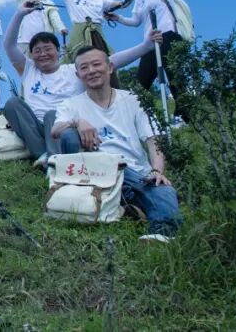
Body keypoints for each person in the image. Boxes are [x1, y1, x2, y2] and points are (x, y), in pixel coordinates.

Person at [3, 1, 160, 167]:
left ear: (59, 51)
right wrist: (20, 13)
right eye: (37, 51)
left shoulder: (74, 70)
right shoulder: (29, 70)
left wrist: (145, 46)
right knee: (12, 103)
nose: (43, 54)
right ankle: (44, 154)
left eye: (48, 49)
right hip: (35, 128)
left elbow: (112, 61)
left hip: (65, 126)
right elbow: (9, 45)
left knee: (51, 115)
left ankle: (54, 161)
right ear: (32, 55)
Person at [52, 46, 183, 242]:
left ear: (110, 67)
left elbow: (153, 139)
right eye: (84, 67)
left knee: (163, 189)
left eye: (96, 64)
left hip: (133, 171)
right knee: (68, 135)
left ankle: (161, 234)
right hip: (95, 170)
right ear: (78, 75)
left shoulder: (133, 99)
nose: (91, 71)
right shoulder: (71, 105)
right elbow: (55, 131)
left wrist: (157, 170)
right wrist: (77, 122)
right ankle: (127, 203)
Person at [106, 0, 185, 104]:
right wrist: (118, 18)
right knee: (141, 85)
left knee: (176, 82)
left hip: (169, 37)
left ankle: (186, 116)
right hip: (150, 42)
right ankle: (138, 116)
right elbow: (135, 22)